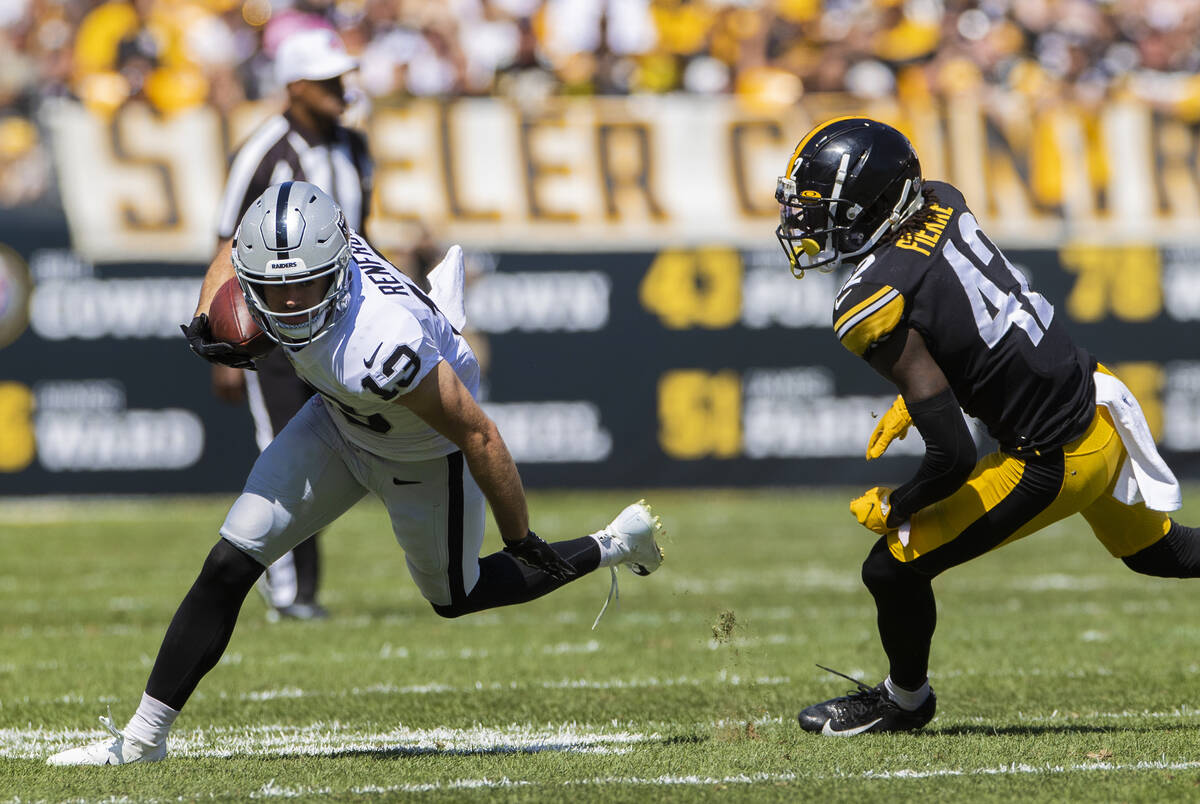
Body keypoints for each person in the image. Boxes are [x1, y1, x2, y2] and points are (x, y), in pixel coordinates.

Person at [47, 181, 665, 765]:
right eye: (273, 287)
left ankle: (614, 544)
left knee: (457, 596)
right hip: (338, 422)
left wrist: (522, 538)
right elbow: (229, 252)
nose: (288, 302)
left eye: (306, 287)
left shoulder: (381, 345)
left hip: (420, 452)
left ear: (336, 272)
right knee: (231, 559)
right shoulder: (278, 261)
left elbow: (479, 434)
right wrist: (208, 318)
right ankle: (143, 740)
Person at [775, 116, 1200, 736]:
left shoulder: (870, 299)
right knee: (1166, 553)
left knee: (890, 566)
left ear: (873, 206)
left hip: (1054, 459)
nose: (808, 224)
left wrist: (901, 502)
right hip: (1098, 400)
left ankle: (905, 701)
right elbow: (964, 314)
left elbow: (952, 457)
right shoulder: (942, 200)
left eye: (823, 210)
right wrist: (926, 388)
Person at [206, 28, 375, 620]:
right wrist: (217, 330)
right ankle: (289, 592)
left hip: (344, 323)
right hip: (276, 329)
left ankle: (302, 589)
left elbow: (361, 242)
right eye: (327, 80)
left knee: (356, 448)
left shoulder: (356, 148)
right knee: (282, 452)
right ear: (296, 85)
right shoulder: (263, 150)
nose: (340, 89)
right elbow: (226, 240)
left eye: (341, 77)